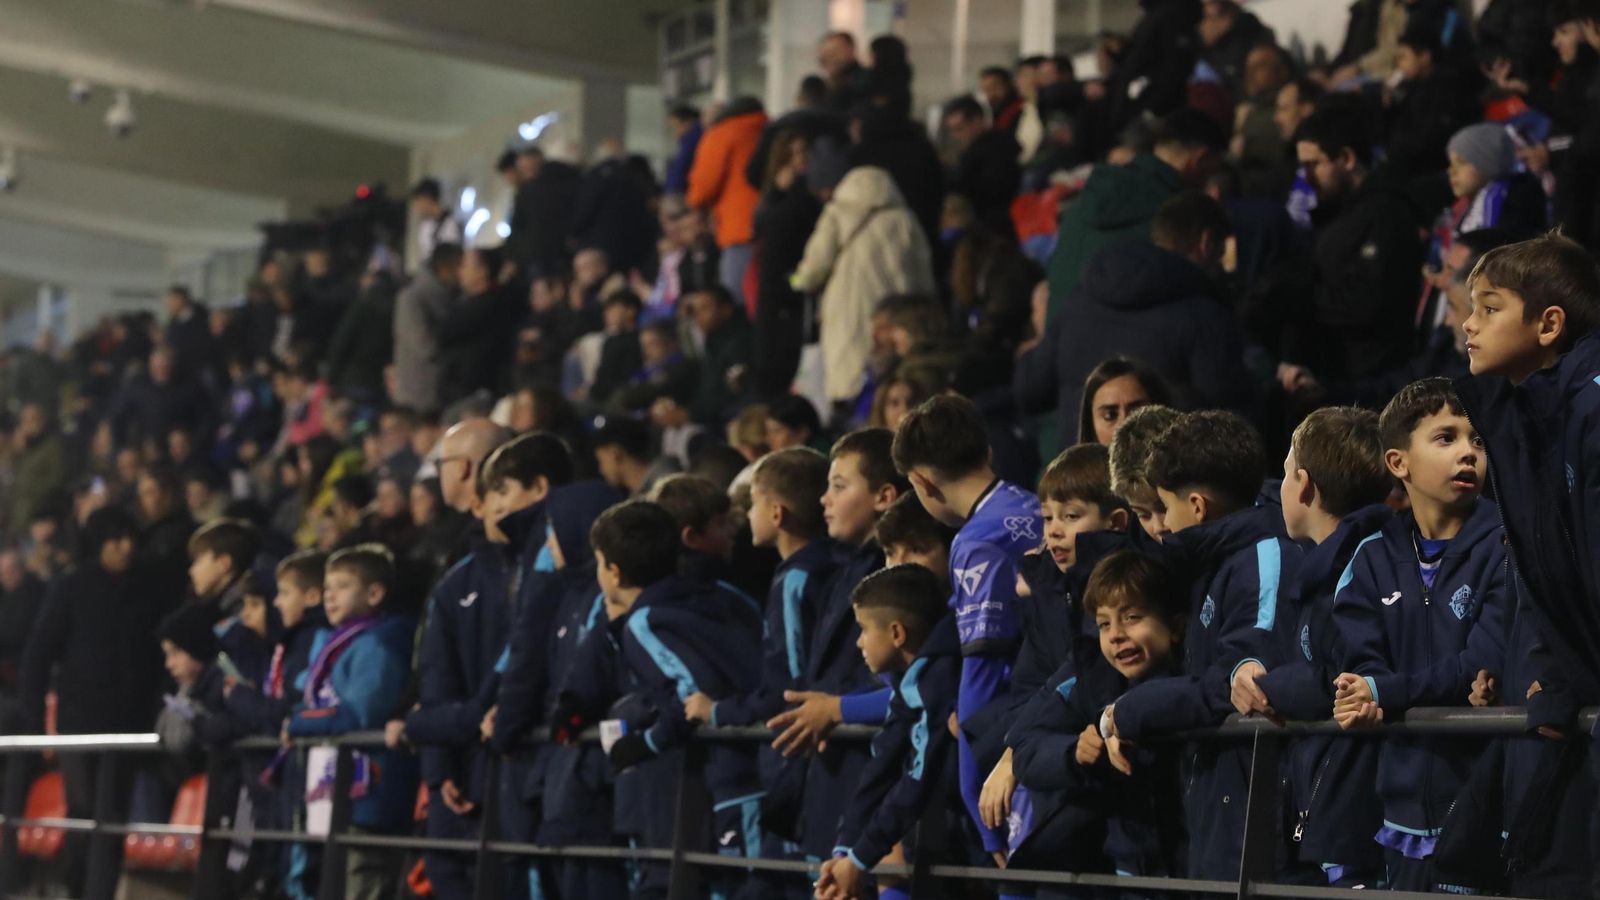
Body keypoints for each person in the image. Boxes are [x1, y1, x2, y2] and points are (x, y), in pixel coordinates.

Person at [1099, 410, 1300, 881]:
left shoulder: (1265, 560)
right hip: (1219, 818)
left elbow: (1240, 684)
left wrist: (1129, 710)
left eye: (1164, 508)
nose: (1161, 525)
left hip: (1258, 827)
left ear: (1196, 505)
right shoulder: (1214, 564)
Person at [1330, 379, 1506, 893]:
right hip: (1398, 818)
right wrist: (1360, 693)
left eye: (1477, 440)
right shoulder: (1369, 559)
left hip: (1485, 810)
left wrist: (1384, 693)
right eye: (1446, 438)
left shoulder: (1507, 542)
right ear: (1398, 463)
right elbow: (1362, 663)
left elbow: (1481, 659)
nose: (1469, 454)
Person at [555, 500, 763, 899]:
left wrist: (643, 744)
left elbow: (689, 700)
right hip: (762, 770)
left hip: (728, 779)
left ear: (613, 571)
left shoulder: (647, 621)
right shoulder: (721, 596)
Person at [1239, 407, 1394, 887]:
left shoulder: (1357, 568)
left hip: (1356, 813)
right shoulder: (1333, 566)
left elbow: (1340, 677)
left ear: (1304, 485)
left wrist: (1269, 685)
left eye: (1284, 474)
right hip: (1338, 811)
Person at [890, 394, 1043, 862]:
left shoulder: (977, 542)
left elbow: (981, 668)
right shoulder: (1037, 505)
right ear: (988, 454)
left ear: (921, 481)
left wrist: (977, 803)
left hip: (1015, 751)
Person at [17, 506, 177, 897]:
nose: (126, 547)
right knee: (85, 810)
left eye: (129, 538)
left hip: (129, 727)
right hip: (80, 725)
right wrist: (35, 725)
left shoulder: (148, 588)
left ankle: (98, 893)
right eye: (116, 539)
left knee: (113, 818)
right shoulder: (72, 587)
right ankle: (77, 887)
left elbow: (160, 659)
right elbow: (38, 656)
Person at [683, 448, 834, 852]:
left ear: (777, 513)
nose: (746, 516)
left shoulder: (796, 580)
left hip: (799, 762)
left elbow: (788, 687)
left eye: (752, 504)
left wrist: (716, 711)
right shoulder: (830, 566)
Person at [1020, 189, 1249, 454]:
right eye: (1221, 254)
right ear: (1207, 243)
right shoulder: (1204, 314)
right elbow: (1230, 420)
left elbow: (1031, 389)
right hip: (1158, 478)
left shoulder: (1079, 300)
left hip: (1084, 476)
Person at [1008, 550, 1188, 881]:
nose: (1116, 634)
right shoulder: (1092, 671)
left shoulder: (1196, 670)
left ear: (1175, 626)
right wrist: (1073, 751)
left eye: (1132, 617)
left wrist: (1122, 716)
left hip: (1198, 868)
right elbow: (1027, 746)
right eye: (1104, 623)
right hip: (1131, 870)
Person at [812, 564, 960, 899]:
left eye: (863, 629)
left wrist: (861, 859)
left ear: (897, 633)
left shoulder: (937, 680)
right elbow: (881, 768)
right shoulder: (912, 680)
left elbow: (917, 778)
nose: (859, 642)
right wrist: (846, 852)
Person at [287, 544, 419, 900]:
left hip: (370, 794)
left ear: (375, 593)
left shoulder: (381, 642)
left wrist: (299, 723)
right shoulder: (341, 642)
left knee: (364, 883)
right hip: (336, 791)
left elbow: (361, 714)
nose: (330, 596)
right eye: (327, 588)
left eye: (343, 586)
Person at [1288, 99, 1426, 382]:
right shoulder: (1341, 210)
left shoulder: (1386, 212)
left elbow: (1369, 299)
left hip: (1372, 375)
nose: (1307, 177)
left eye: (1314, 164)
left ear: (1347, 158)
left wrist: (1301, 298)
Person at [1044, 108, 1226, 312]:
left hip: (1060, 336)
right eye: (1215, 171)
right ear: (1200, 160)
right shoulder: (1175, 221)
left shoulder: (1082, 205)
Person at [792, 166, 936, 412]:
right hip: (897, 315)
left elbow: (812, 268)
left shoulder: (837, 213)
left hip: (849, 311)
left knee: (853, 379)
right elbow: (924, 276)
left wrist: (797, 280)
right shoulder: (905, 219)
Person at [751, 127, 824, 400]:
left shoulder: (809, 196)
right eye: (790, 155)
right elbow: (763, 229)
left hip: (798, 291)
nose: (798, 161)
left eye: (803, 153)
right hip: (777, 294)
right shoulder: (772, 200)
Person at [688, 97, 769, 309]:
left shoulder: (722, 133)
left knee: (736, 301)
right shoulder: (770, 129)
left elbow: (702, 187)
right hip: (775, 224)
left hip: (739, 227)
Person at [392, 244, 463, 414]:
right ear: (445, 268)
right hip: (419, 397)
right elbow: (425, 346)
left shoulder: (453, 298)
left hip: (442, 395)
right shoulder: (413, 299)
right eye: (460, 266)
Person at [943, 95, 1023, 238]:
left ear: (977, 120)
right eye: (952, 130)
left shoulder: (989, 151)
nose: (956, 135)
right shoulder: (996, 145)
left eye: (959, 128)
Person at [682, 286, 752, 424]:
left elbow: (732, 393)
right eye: (695, 311)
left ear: (726, 309)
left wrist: (691, 415)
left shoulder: (741, 340)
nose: (697, 316)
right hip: (711, 416)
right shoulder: (712, 340)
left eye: (704, 308)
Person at [592, 415, 677, 497]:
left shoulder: (668, 493)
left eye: (601, 461)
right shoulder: (645, 496)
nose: (601, 470)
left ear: (615, 454)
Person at [588, 291, 644, 408]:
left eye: (612, 309)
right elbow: (602, 375)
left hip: (619, 401)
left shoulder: (639, 341)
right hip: (598, 398)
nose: (607, 314)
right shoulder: (610, 341)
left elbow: (626, 378)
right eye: (606, 310)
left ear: (631, 311)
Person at [164, 285, 217, 384]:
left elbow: (204, 345)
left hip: (198, 370)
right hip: (179, 369)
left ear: (181, 299)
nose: (168, 304)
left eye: (171, 300)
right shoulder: (174, 321)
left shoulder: (200, 320)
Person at [409, 178, 464, 267]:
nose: (417, 208)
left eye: (418, 202)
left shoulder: (451, 223)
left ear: (427, 198)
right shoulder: (425, 225)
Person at [664, 104, 704, 196]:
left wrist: (672, 193)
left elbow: (681, 168)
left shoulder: (692, 140)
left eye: (675, 126)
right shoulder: (696, 138)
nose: (675, 133)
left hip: (686, 195)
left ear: (687, 122)